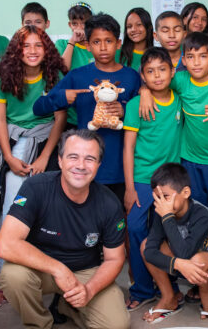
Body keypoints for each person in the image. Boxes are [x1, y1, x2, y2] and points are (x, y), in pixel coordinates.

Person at [0, 129, 130, 329]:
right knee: (12, 276)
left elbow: (115, 258)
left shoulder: (109, 203)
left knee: (116, 328)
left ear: (98, 165)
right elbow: (6, 244)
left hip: (85, 270)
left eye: (90, 159)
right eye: (73, 157)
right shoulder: (36, 187)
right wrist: (58, 269)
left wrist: (89, 290)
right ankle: (37, 326)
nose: (81, 165)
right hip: (42, 269)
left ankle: (65, 305)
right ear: (59, 160)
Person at [140, 32, 208, 310]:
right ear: (184, 60)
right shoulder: (181, 80)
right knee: (196, 224)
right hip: (190, 164)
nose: (196, 62)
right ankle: (201, 282)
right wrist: (143, 91)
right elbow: (155, 80)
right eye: (191, 56)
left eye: (203, 56)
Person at [0, 25, 68, 304]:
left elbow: (59, 119)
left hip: (46, 139)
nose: (33, 51)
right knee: (14, 204)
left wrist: (45, 156)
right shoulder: (2, 77)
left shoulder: (55, 75)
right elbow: (0, 119)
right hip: (13, 142)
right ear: (16, 50)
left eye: (38, 45)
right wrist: (9, 157)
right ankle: (12, 268)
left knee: (50, 209)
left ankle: (48, 272)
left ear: (46, 48)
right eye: (26, 46)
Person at [33, 13, 141, 204]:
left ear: (118, 43)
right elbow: (38, 108)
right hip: (85, 168)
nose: (103, 47)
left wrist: (125, 111)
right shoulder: (77, 76)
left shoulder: (132, 77)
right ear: (88, 46)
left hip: (121, 167)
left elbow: (145, 118)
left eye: (108, 41)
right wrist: (62, 97)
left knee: (119, 224)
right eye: (97, 42)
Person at [122, 48, 183, 311]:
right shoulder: (137, 104)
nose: (157, 76)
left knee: (168, 233)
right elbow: (128, 148)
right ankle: (142, 288)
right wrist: (128, 187)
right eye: (150, 71)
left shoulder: (180, 99)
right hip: (142, 178)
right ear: (142, 76)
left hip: (171, 182)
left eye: (162, 69)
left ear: (172, 71)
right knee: (135, 229)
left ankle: (171, 287)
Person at [141, 163, 208, 324]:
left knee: (198, 260)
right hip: (185, 262)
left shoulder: (201, 214)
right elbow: (149, 252)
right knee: (146, 245)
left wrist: (167, 217)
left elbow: (185, 253)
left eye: (166, 196)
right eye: (157, 198)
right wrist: (178, 263)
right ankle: (169, 298)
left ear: (185, 192)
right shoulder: (161, 211)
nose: (161, 203)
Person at [56, 2, 94, 72]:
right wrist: (72, 41)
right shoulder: (61, 44)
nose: (79, 28)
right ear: (70, 25)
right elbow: (63, 70)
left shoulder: (96, 46)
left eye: (84, 23)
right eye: (74, 24)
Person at [120, 7, 154, 72]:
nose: (133, 29)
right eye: (129, 26)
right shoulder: (117, 52)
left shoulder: (156, 55)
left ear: (149, 27)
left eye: (139, 25)